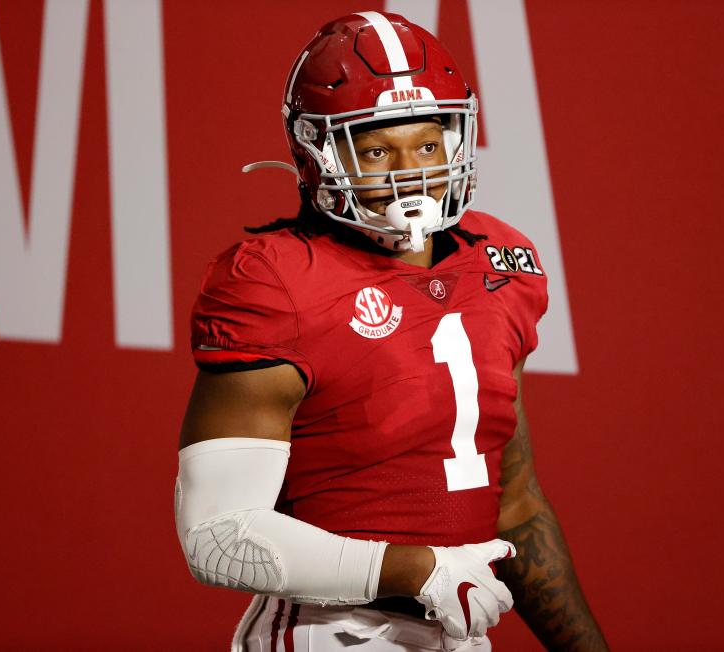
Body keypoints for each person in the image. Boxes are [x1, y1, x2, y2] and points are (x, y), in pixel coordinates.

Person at [175, 11, 609, 652]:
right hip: (334, 630)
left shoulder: (499, 261)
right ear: (316, 151)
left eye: (427, 146)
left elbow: (514, 504)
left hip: (460, 628)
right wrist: (418, 569)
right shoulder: (277, 281)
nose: (410, 173)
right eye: (376, 150)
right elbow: (218, 534)